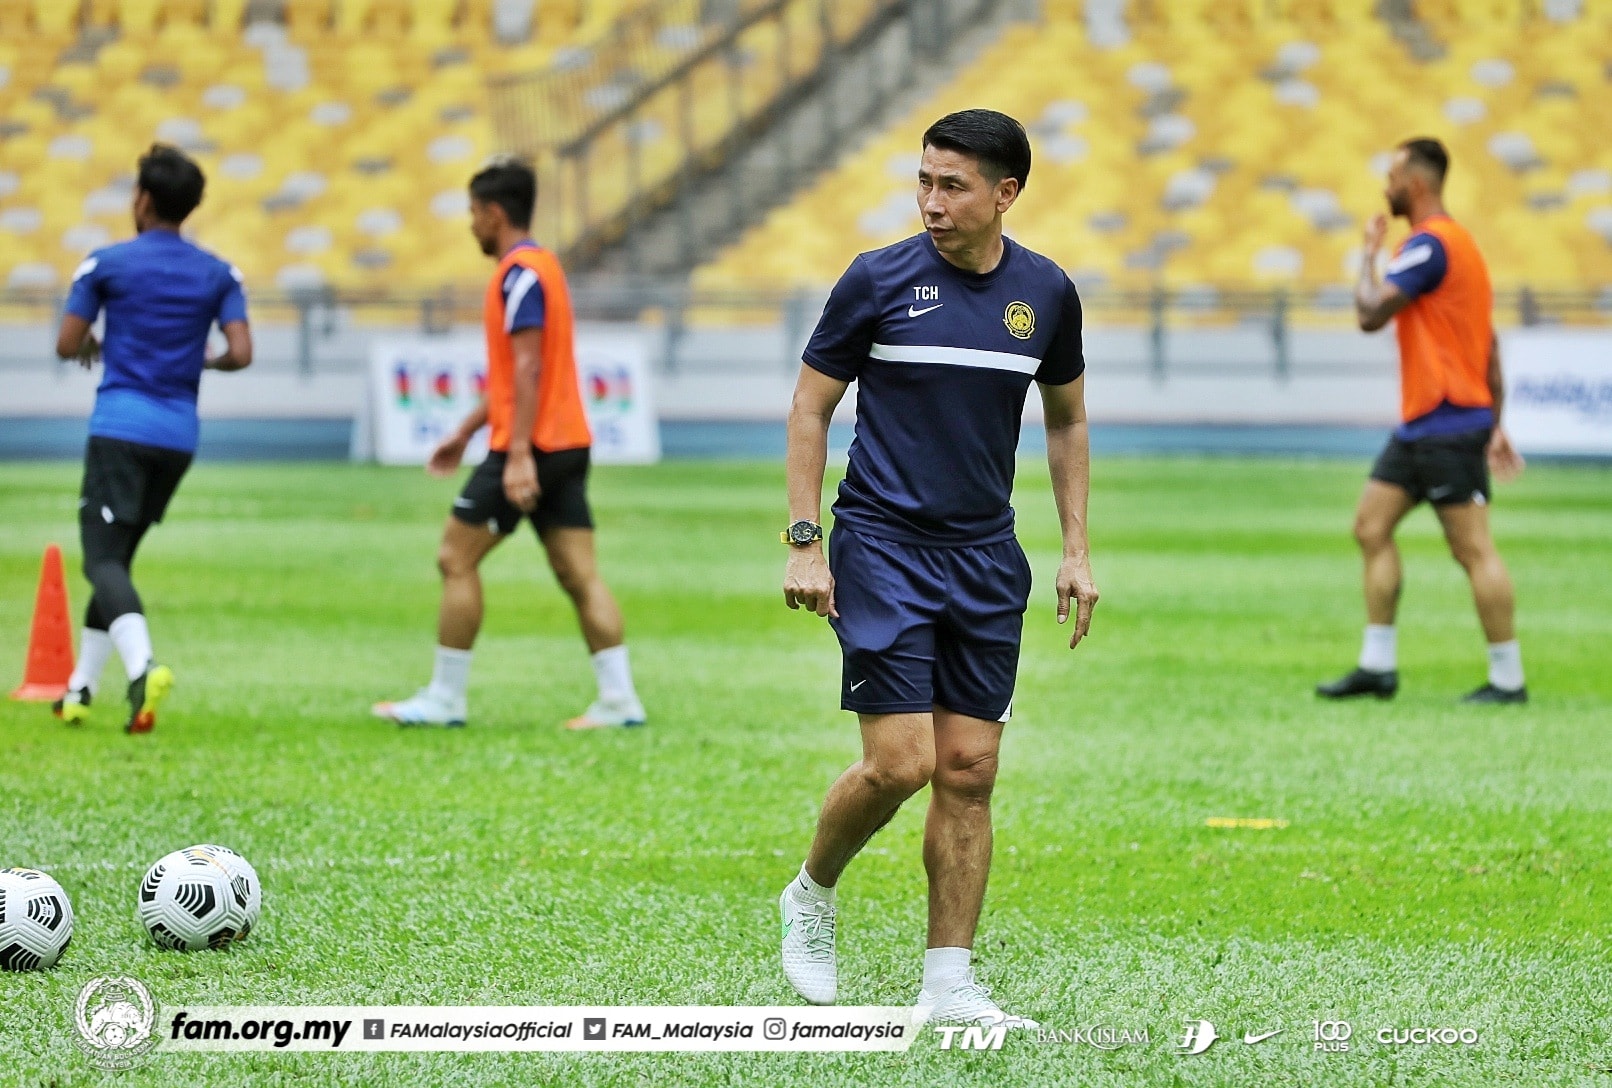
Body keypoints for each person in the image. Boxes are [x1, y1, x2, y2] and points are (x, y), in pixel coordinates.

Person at [776, 110, 1098, 1026]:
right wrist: (805, 541)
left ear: (1005, 194)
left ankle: (949, 985)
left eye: (951, 185)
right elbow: (810, 409)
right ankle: (810, 894)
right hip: (880, 545)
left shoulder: (1048, 293)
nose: (930, 202)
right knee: (902, 762)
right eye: (923, 180)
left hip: (987, 556)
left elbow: (1068, 420)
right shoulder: (875, 280)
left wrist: (1075, 549)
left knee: (970, 766)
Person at [373, 158, 644, 730]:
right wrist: (465, 431)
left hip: (533, 447)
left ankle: (445, 699)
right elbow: (520, 376)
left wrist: (516, 454)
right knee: (579, 573)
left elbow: (527, 369)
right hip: (568, 442)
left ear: (495, 214)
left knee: (455, 558)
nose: (471, 225)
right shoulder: (546, 268)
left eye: (473, 213)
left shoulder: (518, 275)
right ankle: (619, 699)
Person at [51, 144, 253, 734]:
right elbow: (241, 352)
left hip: (121, 426)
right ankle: (79, 689)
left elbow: (68, 342)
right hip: (179, 436)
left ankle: (143, 668)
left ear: (141, 199)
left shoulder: (106, 264)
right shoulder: (219, 272)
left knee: (101, 559)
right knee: (117, 561)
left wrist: (92, 345)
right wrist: (202, 363)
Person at [1318, 137, 1527, 704]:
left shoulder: (1428, 247)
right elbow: (1491, 348)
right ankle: (1377, 667)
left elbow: (1369, 313)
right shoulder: (1466, 248)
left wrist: (1367, 255)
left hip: (1446, 421)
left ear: (1414, 182)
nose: (1385, 187)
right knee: (1370, 527)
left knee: (1473, 550)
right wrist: (1497, 420)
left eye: (1391, 175)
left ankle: (1508, 680)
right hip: (1429, 424)